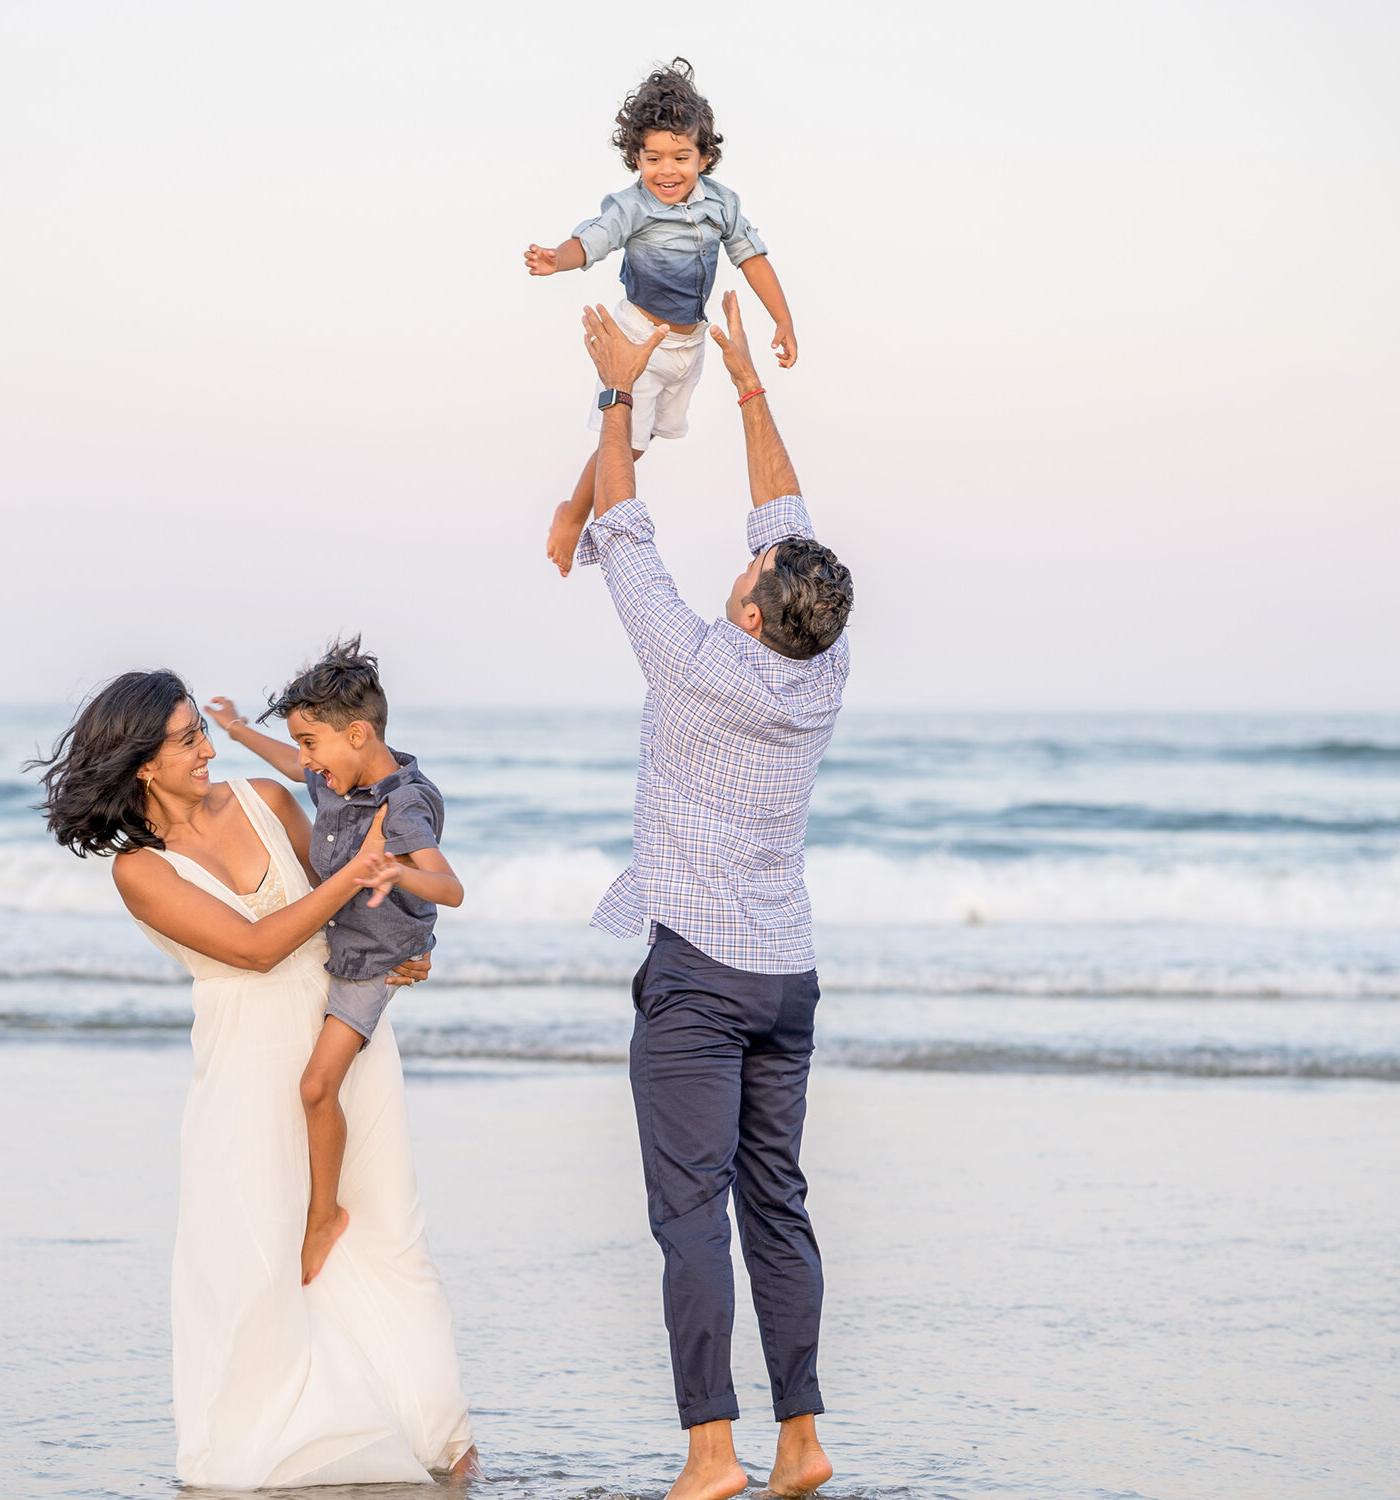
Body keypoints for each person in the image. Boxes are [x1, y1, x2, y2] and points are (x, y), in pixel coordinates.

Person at [32, 671, 477, 1486]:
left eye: (204, 730)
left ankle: (434, 1433)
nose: (206, 748)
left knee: (386, 1230)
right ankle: (281, 1439)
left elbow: (356, 908)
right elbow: (254, 948)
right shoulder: (140, 871)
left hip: (343, 1038)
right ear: (141, 763)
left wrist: (400, 953)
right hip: (244, 1062)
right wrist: (356, 877)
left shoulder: (268, 800)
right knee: (250, 1258)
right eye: (186, 738)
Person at [572, 288, 854, 1500]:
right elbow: (788, 520)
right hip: (786, 975)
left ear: (750, 606)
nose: (751, 550)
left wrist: (617, 389)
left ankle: (710, 1455)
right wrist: (744, 385)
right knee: (776, 1205)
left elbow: (621, 525)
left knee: (691, 1213)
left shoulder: (692, 663)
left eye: (750, 562)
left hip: (695, 978)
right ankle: (802, 1443)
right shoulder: (824, 660)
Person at [204, 639, 463, 1285]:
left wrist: (393, 872)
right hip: (340, 934)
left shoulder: (404, 803)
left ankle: (325, 1215)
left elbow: (450, 887)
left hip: (373, 957)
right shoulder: (335, 770)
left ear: (356, 734)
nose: (308, 761)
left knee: (316, 1087)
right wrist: (235, 730)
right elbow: (294, 766)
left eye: (313, 743)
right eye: (304, 745)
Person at [525, 58, 798, 578]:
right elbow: (593, 240)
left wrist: (783, 320)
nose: (667, 171)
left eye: (681, 157)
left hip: (687, 346)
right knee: (625, 438)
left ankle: (587, 510)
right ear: (636, 157)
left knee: (641, 444)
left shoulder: (722, 205)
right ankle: (576, 514)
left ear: (704, 155)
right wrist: (558, 259)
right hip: (638, 341)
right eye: (653, 158)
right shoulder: (633, 208)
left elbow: (752, 258)